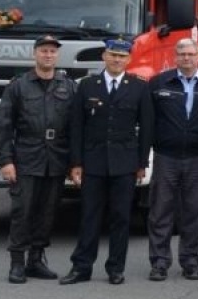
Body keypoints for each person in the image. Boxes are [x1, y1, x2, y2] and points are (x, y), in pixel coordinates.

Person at [61, 38, 154, 285]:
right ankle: (81, 267)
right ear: (104, 56)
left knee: (121, 217)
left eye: (122, 56)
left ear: (129, 59)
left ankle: (116, 268)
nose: (116, 60)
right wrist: (76, 162)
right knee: (89, 216)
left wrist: (142, 163)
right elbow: (77, 126)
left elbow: (146, 128)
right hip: (93, 162)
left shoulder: (139, 88)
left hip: (125, 163)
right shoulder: (88, 85)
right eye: (112, 55)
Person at [0, 33, 75, 284]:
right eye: (44, 51)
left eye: (52, 51)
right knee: (23, 211)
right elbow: (4, 126)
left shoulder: (68, 86)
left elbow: (75, 128)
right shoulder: (18, 86)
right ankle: (17, 263)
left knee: (47, 212)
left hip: (56, 158)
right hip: (27, 156)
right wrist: (6, 160)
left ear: (57, 55)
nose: (48, 55)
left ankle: (36, 260)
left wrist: (74, 163)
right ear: (34, 54)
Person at [146, 38, 198, 281]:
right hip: (166, 156)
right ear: (175, 56)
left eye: (191, 53)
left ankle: (190, 261)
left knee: (194, 211)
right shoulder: (158, 83)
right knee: (160, 211)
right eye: (182, 54)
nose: (186, 58)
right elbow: (149, 122)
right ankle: (159, 262)